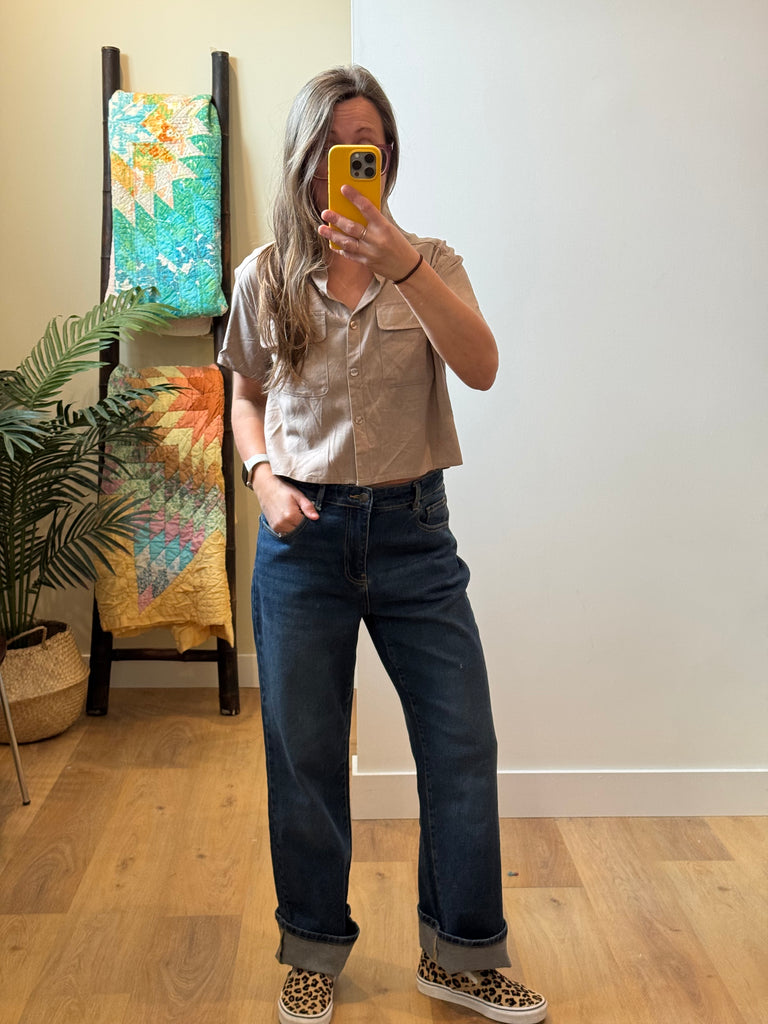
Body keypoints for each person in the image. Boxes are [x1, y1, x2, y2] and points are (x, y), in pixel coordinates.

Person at [218, 65, 548, 1024]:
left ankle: (462, 956)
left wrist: (402, 263)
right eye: (337, 146)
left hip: (414, 535)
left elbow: (481, 368)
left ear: (389, 156)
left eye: (371, 145)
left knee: (461, 742)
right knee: (306, 753)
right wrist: (262, 478)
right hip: (302, 542)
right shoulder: (264, 276)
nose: (356, 160)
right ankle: (313, 948)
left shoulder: (433, 261)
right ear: (305, 158)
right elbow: (243, 399)